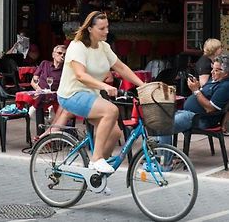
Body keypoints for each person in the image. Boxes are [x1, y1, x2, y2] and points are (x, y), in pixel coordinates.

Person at [56, 11, 144, 174]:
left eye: (107, 27)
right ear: (90, 28)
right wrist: (104, 86)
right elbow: (80, 75)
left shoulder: (104, 47)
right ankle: (96, 159)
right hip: (72, 94)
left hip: (90, 96)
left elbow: (121, 67)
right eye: (102, 28)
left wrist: (143, 85)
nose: (106, 31)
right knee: (111, 110)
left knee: (115, 132)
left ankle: (95, 175)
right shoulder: (77, 46)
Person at [158, 55, 229, 146]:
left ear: (225, 73)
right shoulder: (214, 80)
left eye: (216, 70)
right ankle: (160, 154)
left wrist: (196, 90)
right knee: (158, 121)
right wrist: (197, 87)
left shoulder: (225, 86)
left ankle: (166, 159)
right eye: (212, 68)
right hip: (189, 113)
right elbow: (202, 95)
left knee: (164, 126)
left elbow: (210, 109)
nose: (212, 72)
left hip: (199, 118)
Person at [30, 45, 66, 135]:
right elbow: (33, 81)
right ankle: (45, 133)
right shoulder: (44, 64)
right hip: (40, 96)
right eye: (59, 53)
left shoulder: (65, 70)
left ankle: (47, 136)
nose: (62, 56)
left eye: (64, 54)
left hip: (55, 99)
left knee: (53, 116)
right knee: (31, 113)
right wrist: (38, 89)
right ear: (53, 54)